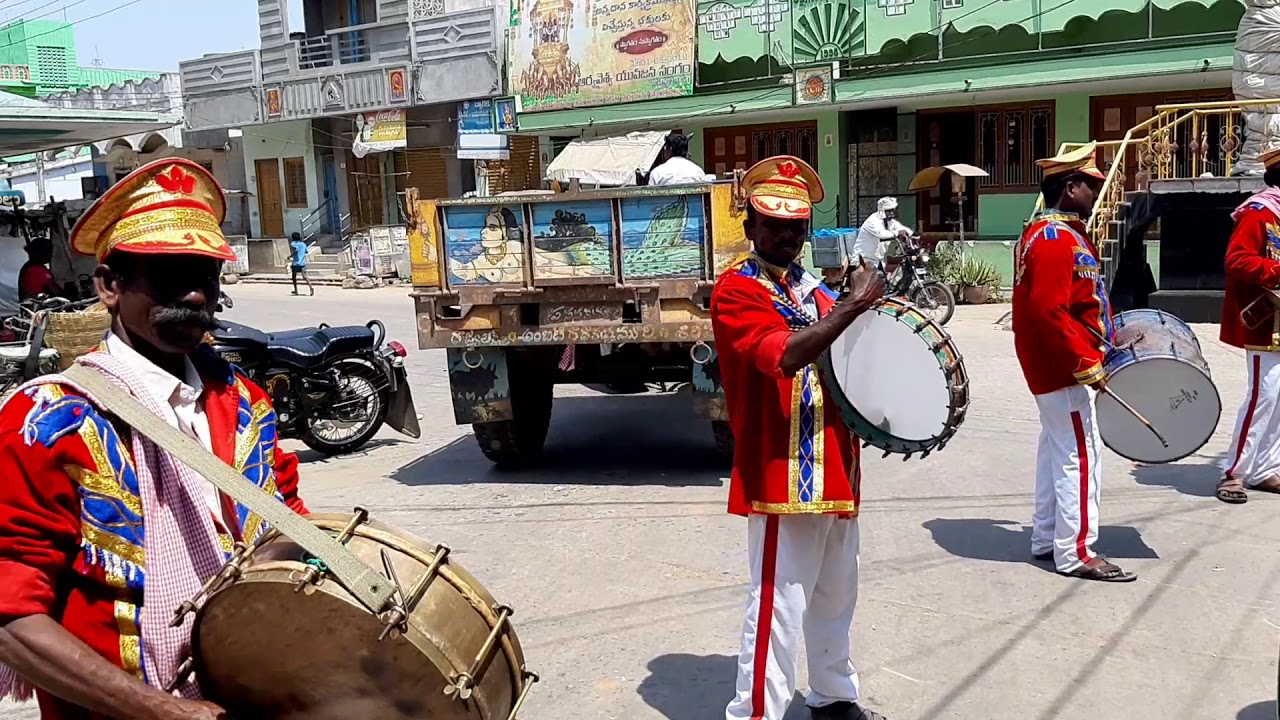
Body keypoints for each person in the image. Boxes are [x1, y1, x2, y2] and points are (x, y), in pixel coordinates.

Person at [0, 158, 309, 720]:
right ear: (110, 286)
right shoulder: (46, 420)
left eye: (206, 275)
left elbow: (289, 524)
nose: (195, 295)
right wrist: (160, 711)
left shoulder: (244, 403)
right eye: (169, 275)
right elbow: (9, 617)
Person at [711, 155, 889, 720]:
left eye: (797, 225)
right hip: (782, 467)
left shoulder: (814, 288)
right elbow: (784, 355)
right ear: (750, 227)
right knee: (778, 603)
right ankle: (756, 712)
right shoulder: (736, 290)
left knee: (837, 592)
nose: (786, 235)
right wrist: (854, 303)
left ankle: (834, 695)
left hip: (835, 460)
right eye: (773, 223)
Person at [1012, 142, 1133, 583]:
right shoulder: (1053, 240)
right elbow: (1048, 311)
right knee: (1080, 456)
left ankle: (1048, 537)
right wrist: (1085, 361)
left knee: (1057, 450)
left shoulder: (1059, 234)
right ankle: (1077, 550)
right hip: (1061, 365)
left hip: (1058, 362)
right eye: (1091, 184)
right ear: (1070, 187)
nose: (1097, 191)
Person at [1216, 146, 1280, 504]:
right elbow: (1237, 261)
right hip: (1263, 320)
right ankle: (1234, 473)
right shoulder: (1258, 214)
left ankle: (1265, 468)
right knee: (1263, 396)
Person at [852, 197, 912, 271]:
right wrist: (898, 233)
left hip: (878, 261)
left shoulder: (890, 222)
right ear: (882, 211)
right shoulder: (872, 221)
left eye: (893, 211)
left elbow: (903, 228)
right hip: (863, 260)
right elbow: (882, 234)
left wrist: (910, 235)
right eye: (888, 211)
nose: (891, 213)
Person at [17, 236, 60, 302]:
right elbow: (56, 291)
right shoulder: (37, 270)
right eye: (49, 252)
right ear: (41, 253)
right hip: (38, 308)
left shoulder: (27, 267)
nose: (51, 255)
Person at [289, 231, 314, 297]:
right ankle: (311, 287)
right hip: (302, 263)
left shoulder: (293, 244)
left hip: (296, 263)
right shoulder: (303, 244)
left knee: (294, 277)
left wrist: (290, 256)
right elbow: (306, 251)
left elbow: (295, 251)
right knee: (304, 276)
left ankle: (296, 290)